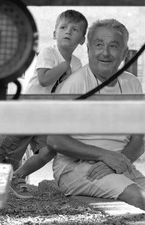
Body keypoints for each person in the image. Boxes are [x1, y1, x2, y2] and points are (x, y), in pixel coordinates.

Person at [0, 9, 88, 198]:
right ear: (54, 33)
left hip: (48, 116)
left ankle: (17, 177)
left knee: (48, 150)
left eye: (75, 30)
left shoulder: (78, 64)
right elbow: (44, 80)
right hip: (28, 111)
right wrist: (63, 67)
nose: (68, 32)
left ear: (82, 39)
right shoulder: (49, 52)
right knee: (3, 150)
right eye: (63, 27)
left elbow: (70, 93)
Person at [47, 19, 145, 210]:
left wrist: (116, 161)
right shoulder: (75, 85)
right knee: (140, 198)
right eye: (99, 45)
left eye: (113, 46)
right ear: (89, 49)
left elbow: (139, 139)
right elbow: (54, 140)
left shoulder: (132, 84)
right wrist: (104, 156)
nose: (105, 52)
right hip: (74, 168)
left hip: (117, 166)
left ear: (125, 53)